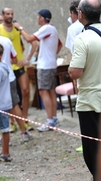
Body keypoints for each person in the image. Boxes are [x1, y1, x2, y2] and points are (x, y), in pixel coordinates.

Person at [68, 0, 101, 181]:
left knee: (92, 150)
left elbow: (75, 72)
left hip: (90, 101)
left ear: (80, 15)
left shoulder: (83, 38)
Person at [0, 20, 33, 144]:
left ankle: (5, 134)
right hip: (9, 77)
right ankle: (23, 132)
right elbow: (14, 59)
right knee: (14, 105)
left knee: (0, 108)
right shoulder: (6, 41)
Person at [14, 9, 63, 132]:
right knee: (51, 91)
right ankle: (54, 118)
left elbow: (30, 38)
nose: (37, 19)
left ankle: (50, 120)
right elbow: (60, 44)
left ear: (42, 18)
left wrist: (20, 28)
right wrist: (52, 55)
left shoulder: (46, 28)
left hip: (45, 66)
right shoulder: (53, 29)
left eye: (38, 17)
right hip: (51, 64)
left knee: (43, 91)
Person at [0, 7, 38, 132]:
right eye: (7, 14)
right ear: (2, 15)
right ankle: (13, 121)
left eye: (12, 14)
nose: (10, 16)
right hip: (6, 68)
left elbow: (33, 42)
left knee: (25, 91)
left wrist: (28, 59)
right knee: (10, 97)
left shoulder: (17, 28)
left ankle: (25, 119)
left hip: (20, 65)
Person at [66, 0, 84, 153]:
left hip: (80, 69)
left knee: (83, 107)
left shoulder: (73, 28)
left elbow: (73, 52)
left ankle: (86, 140)